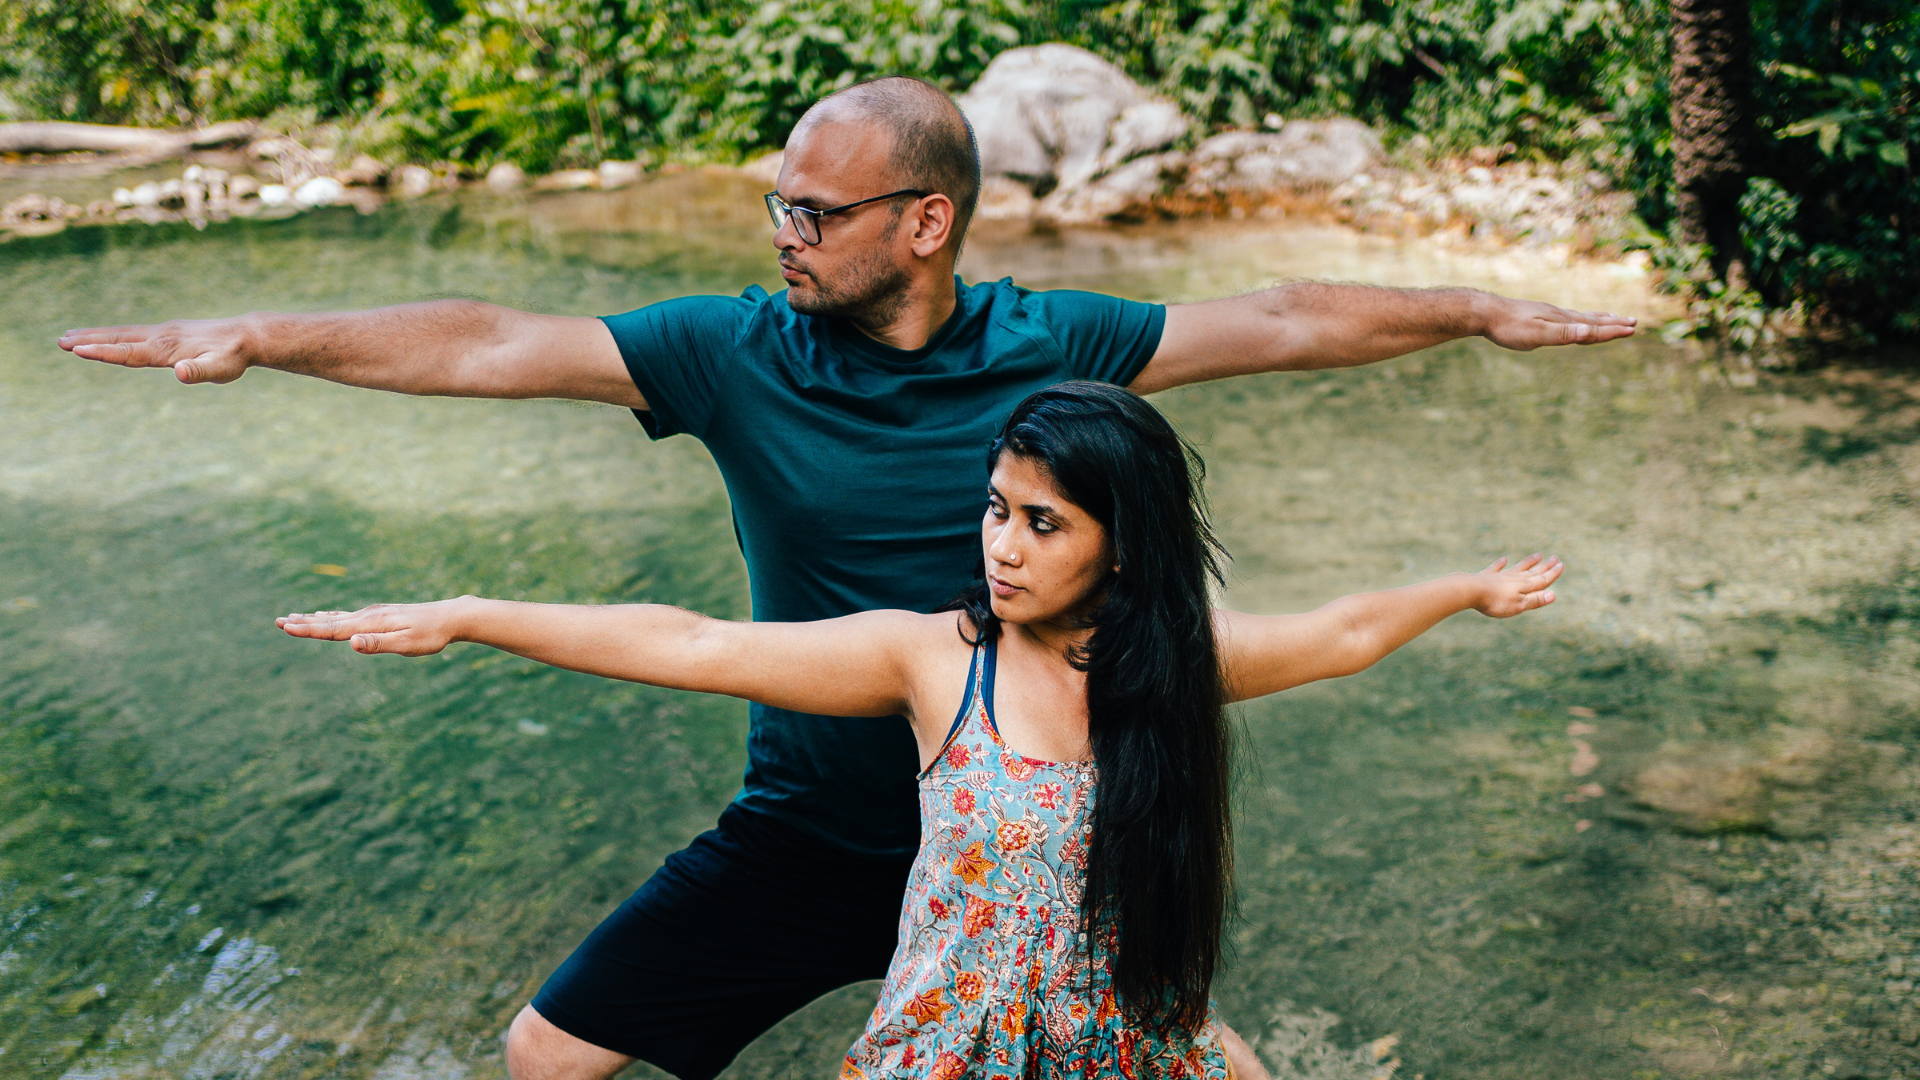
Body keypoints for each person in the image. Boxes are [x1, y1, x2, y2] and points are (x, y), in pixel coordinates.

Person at [59, 76, 1626, 1080]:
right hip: (811, 824)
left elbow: (1282, 321)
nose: (784, 232)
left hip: (1044, 826)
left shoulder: (1054, 342)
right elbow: (490, 339)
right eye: (777, 203)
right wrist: (269, 340)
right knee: (547, 1062)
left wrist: (1474, 307)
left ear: (926, 221)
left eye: (815, 209)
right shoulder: (734, 351)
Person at [276, 383, 1564, 1080]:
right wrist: (473, 613)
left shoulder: (1173, 673)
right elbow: (699, 644)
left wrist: (1465, 590)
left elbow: (1341, 632)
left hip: (1124, 1040)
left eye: (1042, 523)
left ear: (1125, 542)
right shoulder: (934, 662)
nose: (1002, 546)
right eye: (997, 510)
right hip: (956, 1051)